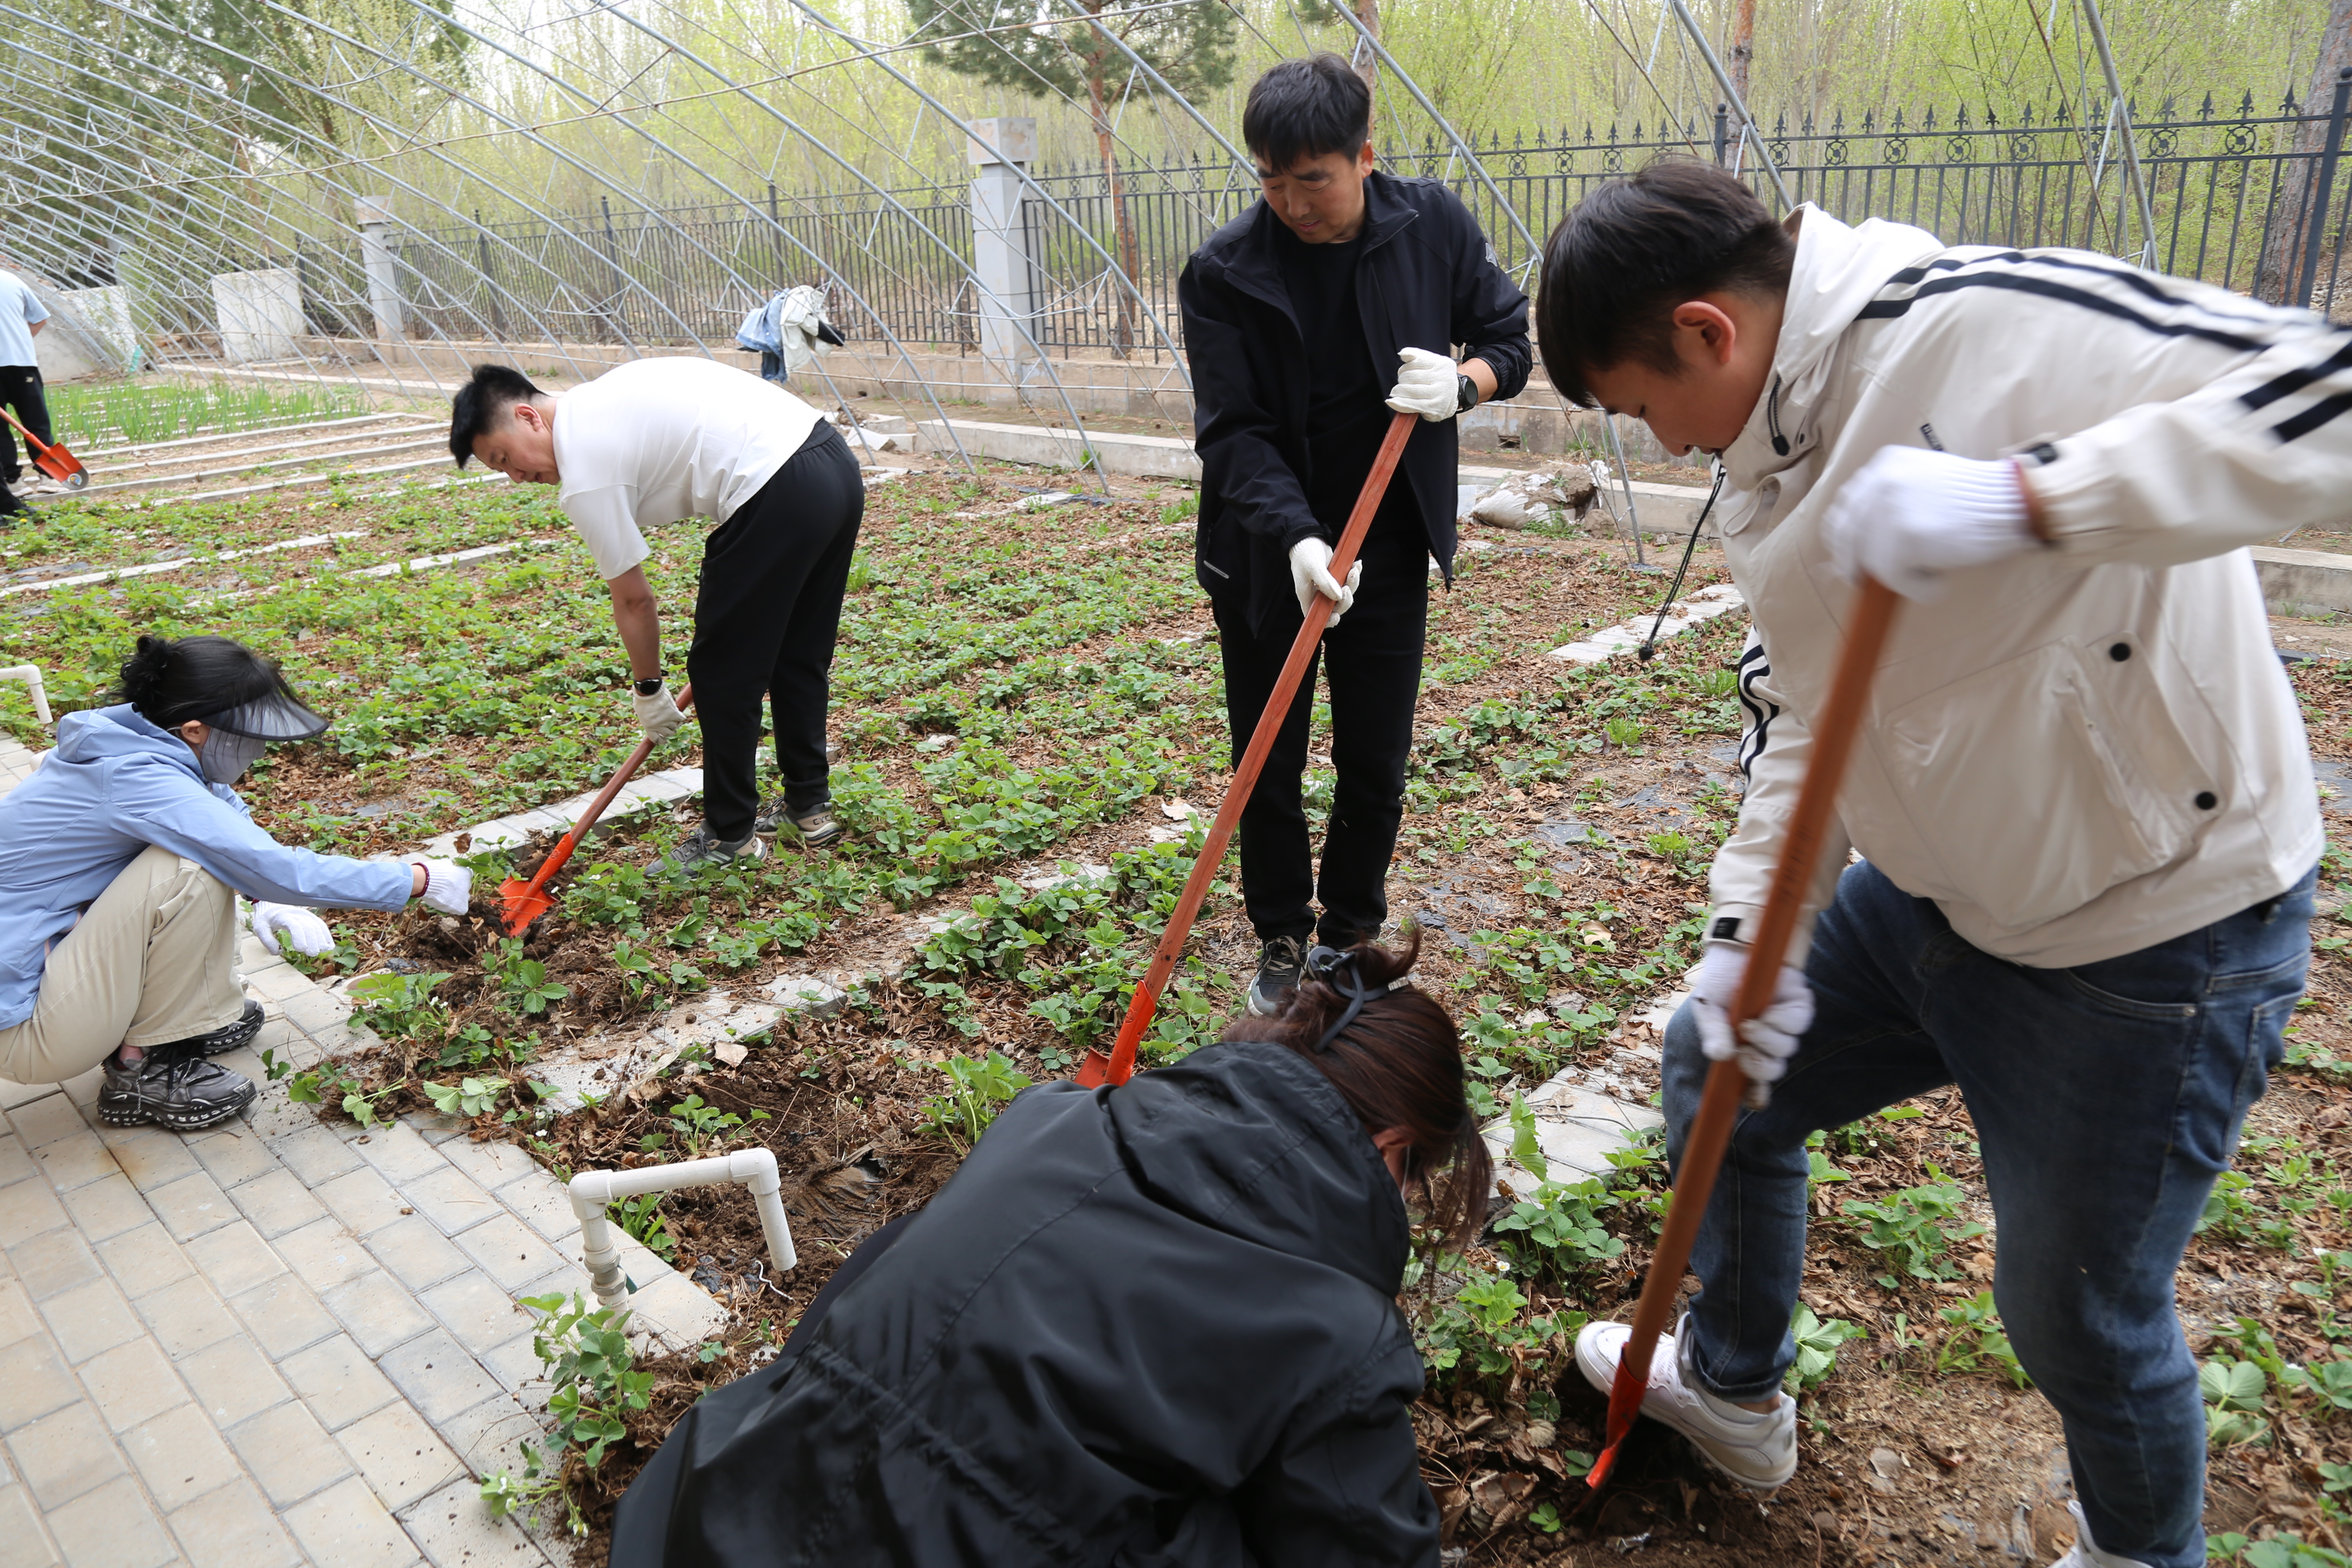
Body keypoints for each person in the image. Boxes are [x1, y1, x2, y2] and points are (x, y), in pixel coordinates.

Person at [1536, 160, 2347, 1566]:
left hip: (2149, 926)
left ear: (1705, 332)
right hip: (1929, 897)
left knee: (2077, 1311)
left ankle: (2140, 1552)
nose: (1659, 446)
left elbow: (2329, 389)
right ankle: (1732, 1387)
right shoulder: (1759, 453)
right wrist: (1750, 933)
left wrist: (2032, 499)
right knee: (1716, 1068)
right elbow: (1803, 699)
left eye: (1639, 406)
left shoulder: (1984, 323)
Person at [607, 932, 1488, 1567]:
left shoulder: (1045, 1119)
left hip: (710, 1512)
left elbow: (840, 1318)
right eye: (1418, 1179)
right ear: (1391, 1147)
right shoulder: (1335, 1331)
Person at [1179, 55, 1532, 1014]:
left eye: (1313, 179)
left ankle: (1348, 936)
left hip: (1388, 542)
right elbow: (1232, 430)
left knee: (1374, 756)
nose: (1292, 202)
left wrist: (1464, 388)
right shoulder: (1222, 272)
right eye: (1270, 179)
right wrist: (1297, 541)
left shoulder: (1433, 229)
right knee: (1270, 756)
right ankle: (1283, 935)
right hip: (1266, 553)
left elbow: (1511, 336)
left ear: (1365, 157)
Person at [0, 635, 473, 1129]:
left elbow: (239, 834)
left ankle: (174, 1023)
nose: (260, 747)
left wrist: (268, 899)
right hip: (26, 1032)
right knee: (188, 871)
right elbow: (257, 863)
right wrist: (418, 879)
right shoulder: (136, 776)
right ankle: (143, 1069)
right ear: (196, 730)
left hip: (42, 975)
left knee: (204, 863)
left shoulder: (146, 747)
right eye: (248, 734)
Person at [447, 357, 862, 876]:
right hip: (831, 463)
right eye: (500, 470)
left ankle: (729, 836)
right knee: (797, 653)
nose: (516, 476)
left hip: (773, 486)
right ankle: (809, 807)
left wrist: (648, 688)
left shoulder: (585, 471)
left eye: (506, 456)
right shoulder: (601, 400)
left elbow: (635, 600)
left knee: (722, 674)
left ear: (529, 417)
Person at [0, 267, 51, 522]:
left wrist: (18, 340)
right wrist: (21, 338)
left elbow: (40, 316)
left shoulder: (11, 280)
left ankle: (34, 477)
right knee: (34, 420)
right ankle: (24, 478)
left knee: (32, 422)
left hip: (20, 361)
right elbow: (40, 318)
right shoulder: (12, 279)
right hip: (22, 363)